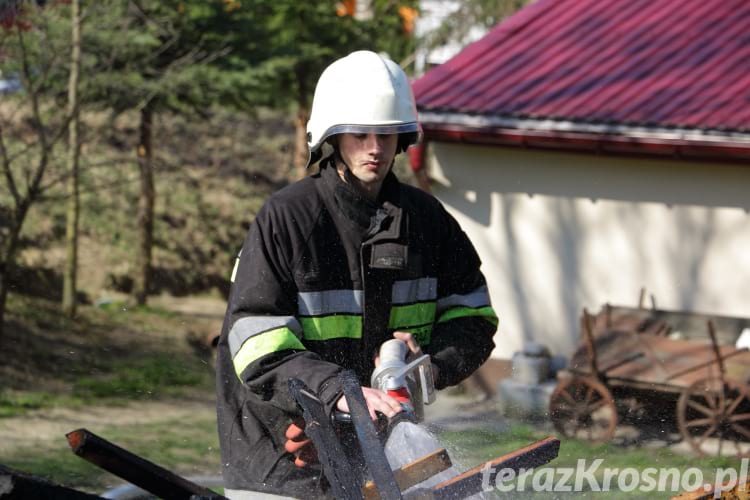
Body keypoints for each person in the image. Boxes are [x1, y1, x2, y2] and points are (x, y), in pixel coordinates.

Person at [215, 50, 498, 499]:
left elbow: (474, 320)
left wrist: (427, 366)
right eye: (360, 133)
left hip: (375, 454)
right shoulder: (288, 219)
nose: (375, 147)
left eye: (387, 134)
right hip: (281, 458)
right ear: (332, 136)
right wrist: (336, 392)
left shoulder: (427, 221)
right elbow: (256, 342)